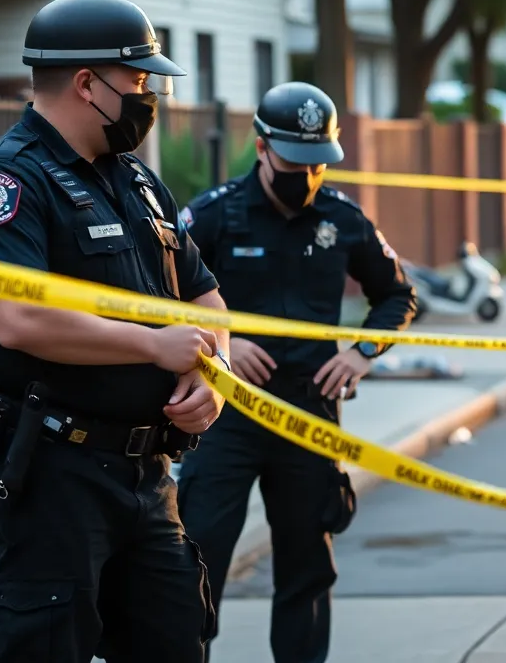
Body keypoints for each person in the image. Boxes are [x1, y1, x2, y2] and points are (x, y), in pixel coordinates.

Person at [0, 0, 232, 663]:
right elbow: (17, 319)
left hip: (146, 474)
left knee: (176, 641)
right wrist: (153, 344)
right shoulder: (9, 184)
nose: (148, 95)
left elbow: (208, 297)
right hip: (51, 470)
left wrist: (208, 372)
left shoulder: (137, 182)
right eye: (138, 80)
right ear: (86, 83)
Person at [175, 81, 417, 663]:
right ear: (261, 147)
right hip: (225, 415)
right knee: (193, 563)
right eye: (293, 161)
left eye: (318, 164)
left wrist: (362, 352)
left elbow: (398, 297)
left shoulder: (343, 219)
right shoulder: (212, 216)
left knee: (308, 566)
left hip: (309, 413)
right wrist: (224, 349)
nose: (306, 177)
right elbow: (160, 298)